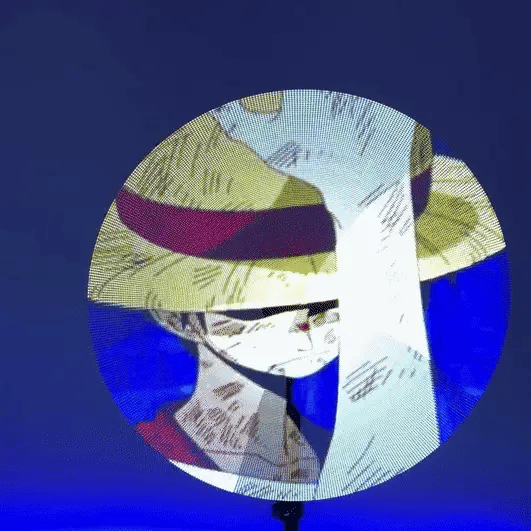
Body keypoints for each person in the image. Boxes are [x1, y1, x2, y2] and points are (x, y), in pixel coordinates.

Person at [88, 90, 507, 501]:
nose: (312, 326)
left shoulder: (332, 452)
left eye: (344, 299)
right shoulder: (137, 479)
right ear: (177, 317)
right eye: (268, 306)